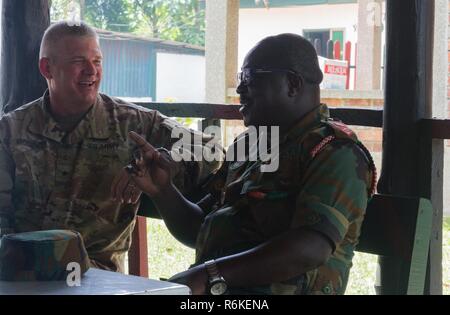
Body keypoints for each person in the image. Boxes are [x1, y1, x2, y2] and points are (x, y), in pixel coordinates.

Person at [111, 33, 377, 295]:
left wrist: (209, 274)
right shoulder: (250, 146)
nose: (240, 89)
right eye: (241, 79)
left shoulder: (335, 152)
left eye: (250, 78)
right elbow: (199, 230)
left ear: (292, 84)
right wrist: (162, 190)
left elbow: (309, 248)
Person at [0, 21, 221, 273]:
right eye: (78, 61)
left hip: (99, 277)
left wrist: (158, 161)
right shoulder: (11, 131)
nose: (91, 71)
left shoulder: (133, 123)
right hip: (25, 273)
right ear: (47, 68)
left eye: (97, 61)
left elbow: (212, 149)